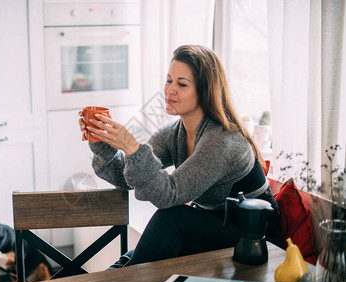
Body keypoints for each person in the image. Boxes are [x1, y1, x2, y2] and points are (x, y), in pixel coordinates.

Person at [78, 45, 282, 267]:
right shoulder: (175, 133)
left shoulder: (222, 140)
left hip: (256, 238)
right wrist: (101, 142)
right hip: (213, 227)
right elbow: (124, 177)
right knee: (129, 260)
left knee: (170, 219)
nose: (170, 90)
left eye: (182, 84)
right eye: (168, 80)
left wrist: (132, 148)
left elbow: (168, 196)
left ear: (205, 91)